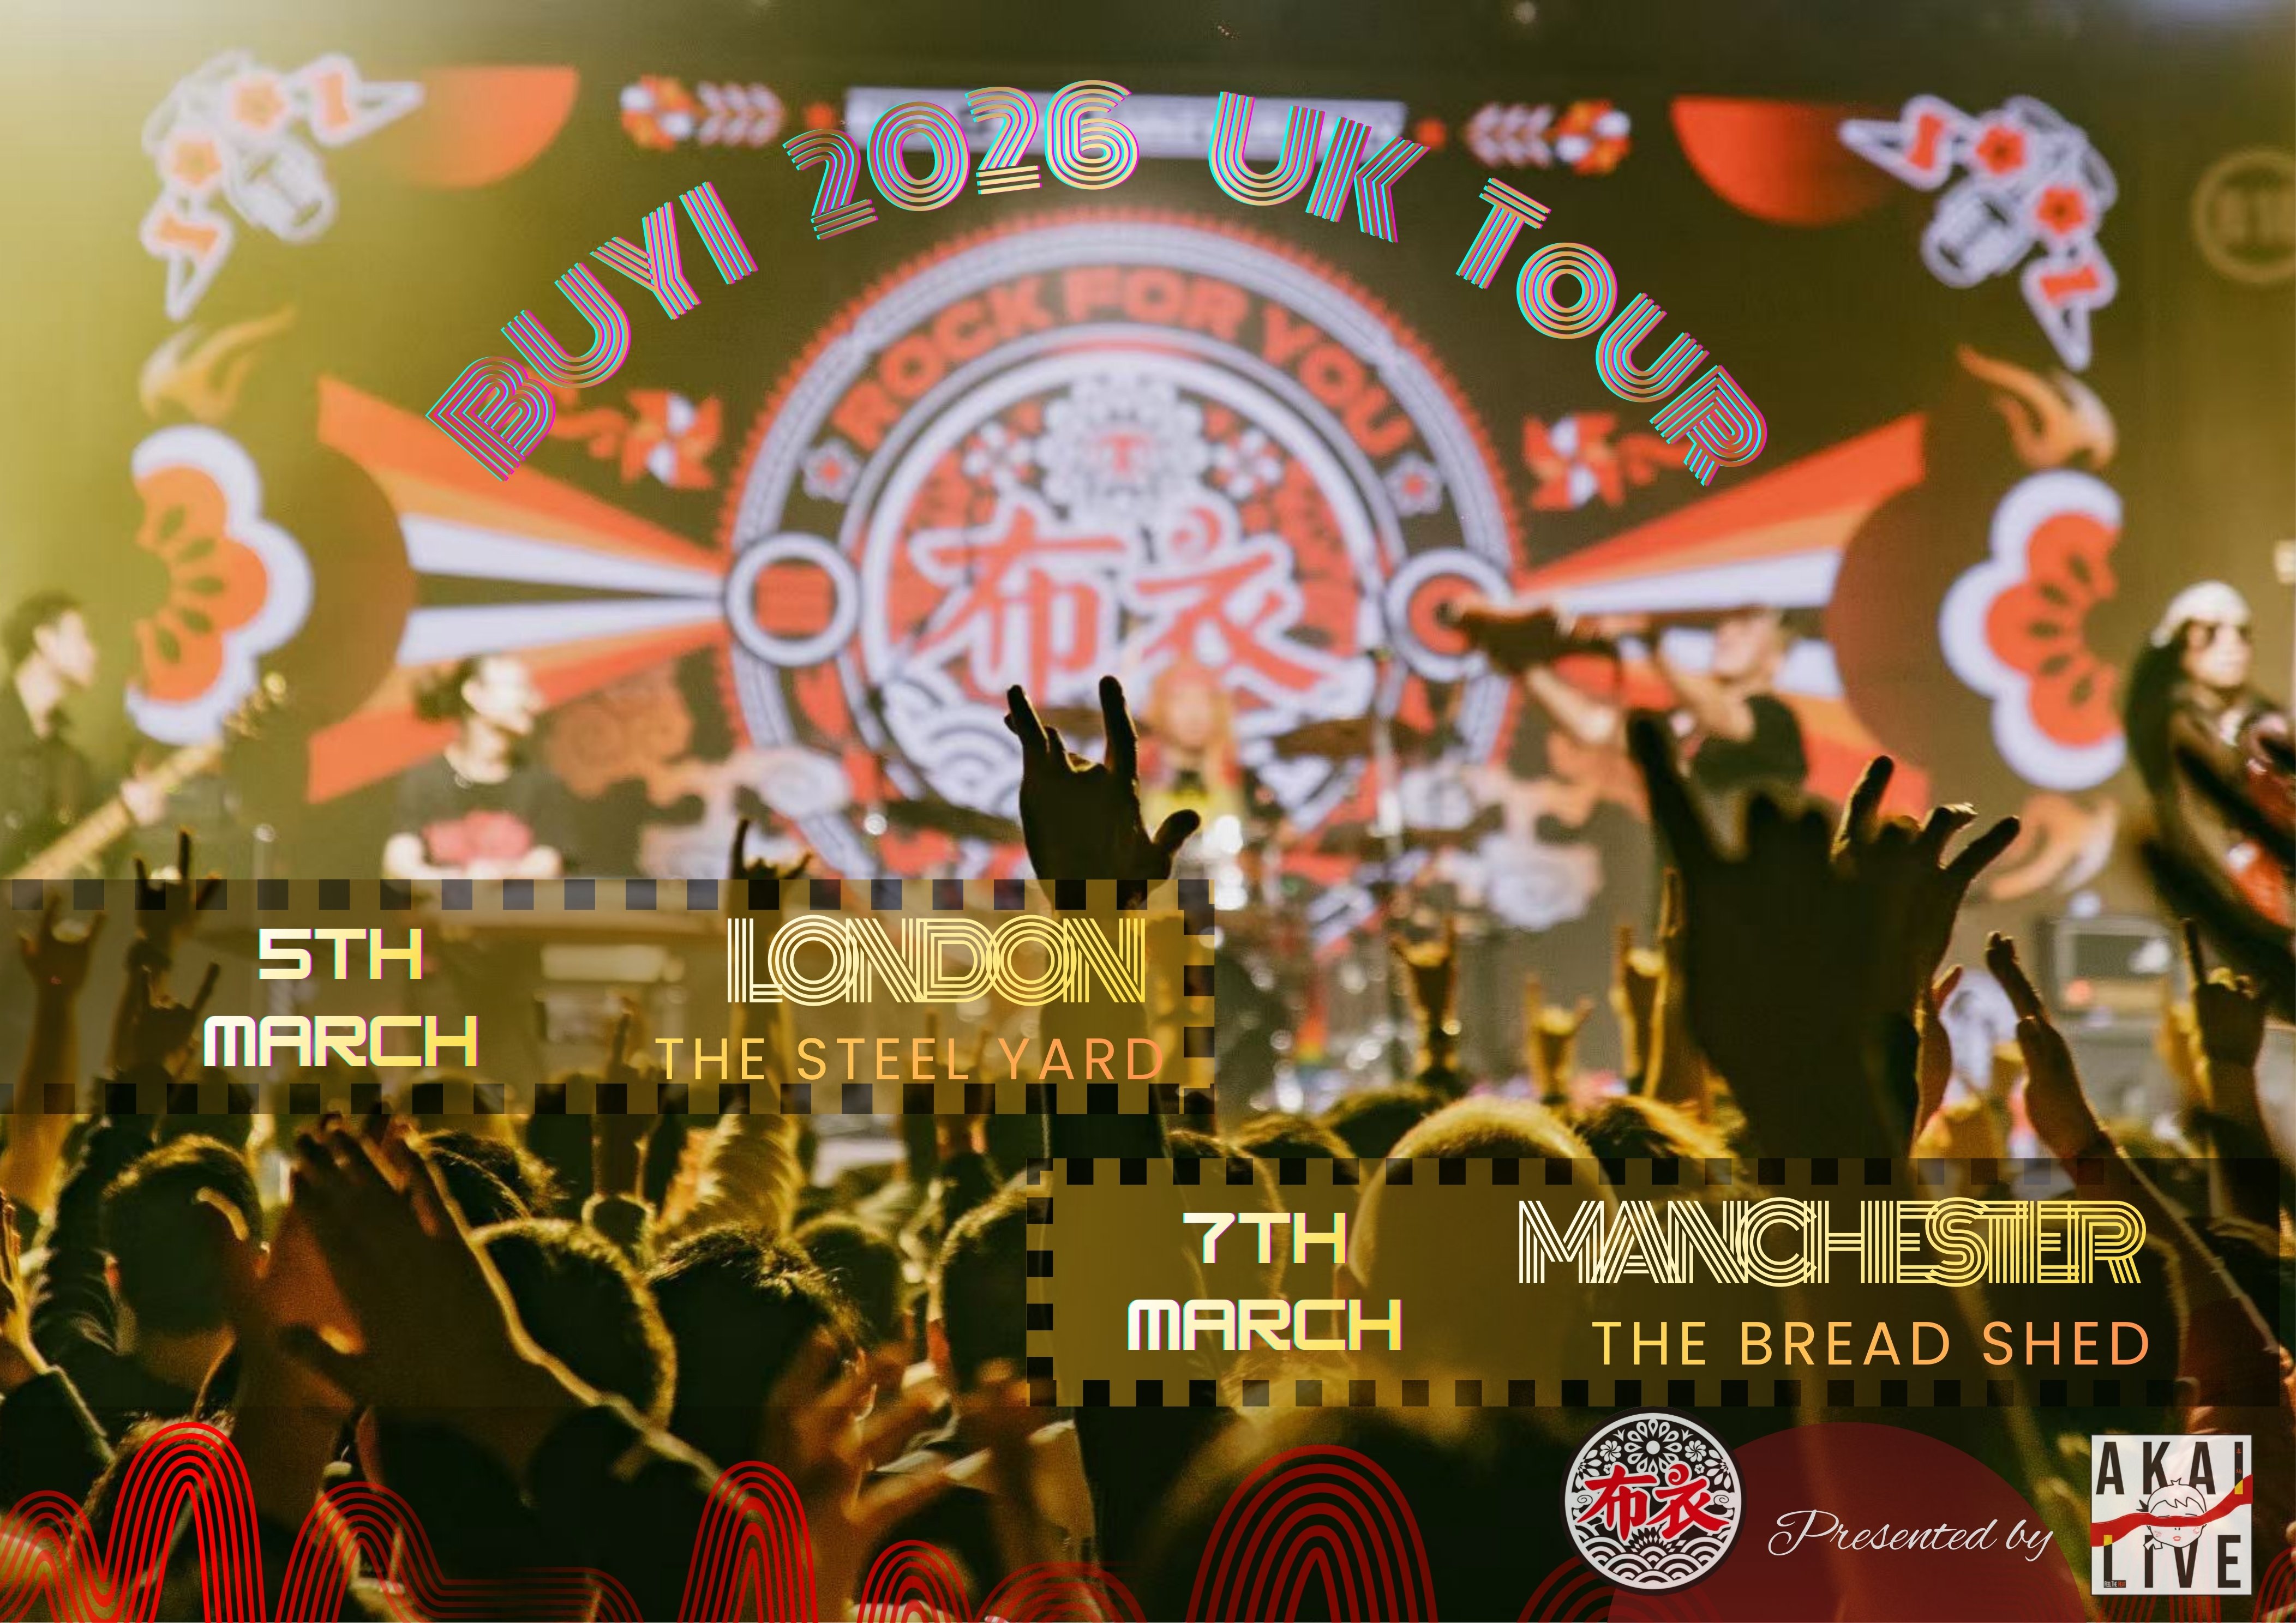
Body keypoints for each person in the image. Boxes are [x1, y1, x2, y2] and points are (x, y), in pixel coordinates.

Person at [1450, 598, 1809, 825]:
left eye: (1745, 629)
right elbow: (1594, 728)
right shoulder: (1682, 722)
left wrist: (1649, 640)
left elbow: (1719, 715)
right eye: (1725, 626)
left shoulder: (1776, 721)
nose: (1726, 635)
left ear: (1775, 660)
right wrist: (1519, 660)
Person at [2124, 580, 2291, 925]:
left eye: (2241, 633)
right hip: (2209, 896)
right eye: (2210, 633)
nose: (2232, 646)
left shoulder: (2268, 723)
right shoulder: (2171, 728)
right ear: (2180, 644)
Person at [0, 592, 165, 874]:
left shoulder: (71, 765)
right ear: (45, 640)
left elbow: (97, 870)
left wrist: (135, 822)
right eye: (83, 637)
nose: (94, 652)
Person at [382, 653, 571, 881]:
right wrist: (456, 883)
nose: (535, 701)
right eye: (519, 688)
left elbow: (548, 862)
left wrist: (500, 877)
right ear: (475, 695)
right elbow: (398, 863)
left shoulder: (540, 783)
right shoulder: (425, 780)